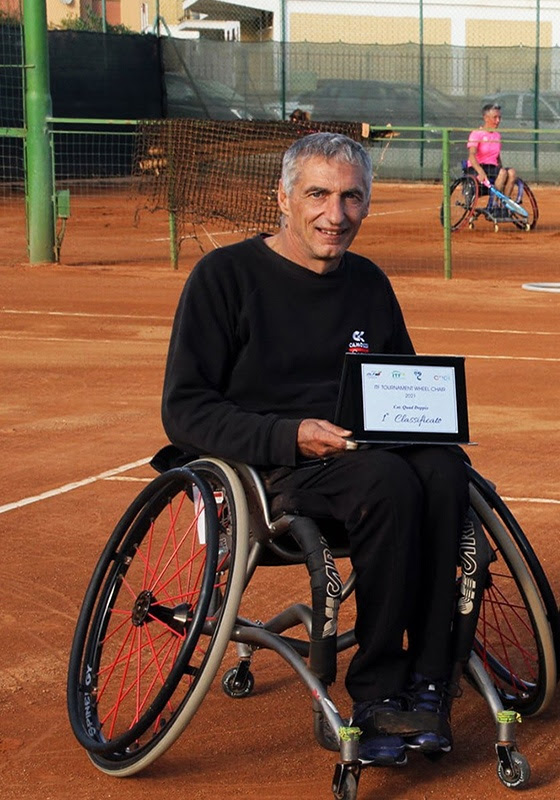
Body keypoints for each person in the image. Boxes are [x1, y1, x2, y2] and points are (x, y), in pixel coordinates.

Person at [161, 132, 466, 766]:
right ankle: (377, 692)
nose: (336, 214)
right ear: (283, 198)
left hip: (361, 459)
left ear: (367, 203)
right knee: (387, 481)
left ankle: (430, 680)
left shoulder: (369, 283)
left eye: (351, 198)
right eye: (318, 195)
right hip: (268, 468)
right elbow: (184, 409)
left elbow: (396, 382)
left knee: (443, 469)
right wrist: (289, 435)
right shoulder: (225, 277)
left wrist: (430, 421)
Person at [467, 102, 517, 198]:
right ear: (486, 118)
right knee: (502, 172)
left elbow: (497, 157)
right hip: (478, 167)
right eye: (495, 117)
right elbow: (472, 155)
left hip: (493, 168)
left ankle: (504, 203)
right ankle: (494, 203)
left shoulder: (497, 135)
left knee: (512, 172)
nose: (498, 121)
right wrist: (480, 171)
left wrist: (501, 167)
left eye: (499, 118)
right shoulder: (476, 133)